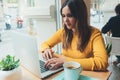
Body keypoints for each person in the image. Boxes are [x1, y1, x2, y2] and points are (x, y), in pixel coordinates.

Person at [41, 0, 108, 71]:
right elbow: (45, 44)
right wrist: (46, 49)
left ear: (80, 16)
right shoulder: (63, 32)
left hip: (84, 73)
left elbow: (102, 62)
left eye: (69, 15)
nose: (65, 20)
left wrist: (67, 61)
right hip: (67, 72)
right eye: (63, 16)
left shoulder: (95, 34)